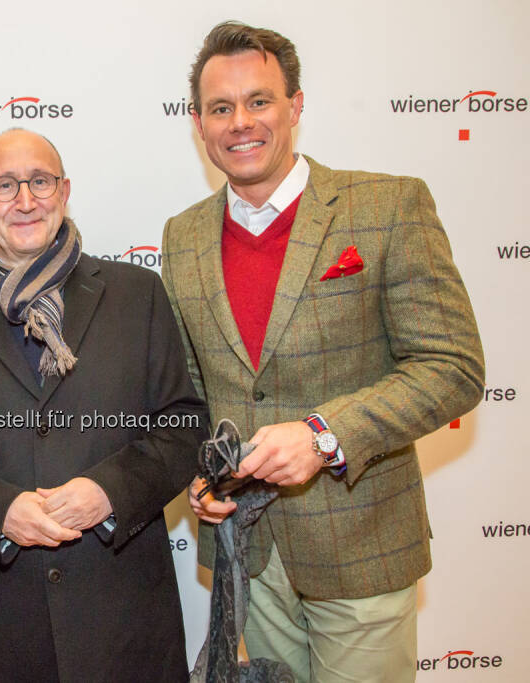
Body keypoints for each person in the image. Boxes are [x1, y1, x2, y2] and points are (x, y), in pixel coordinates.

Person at [161, 21, 485, 682]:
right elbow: (192, 390)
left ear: (296, 105)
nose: (240, 122)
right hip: (245, 552)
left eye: (260, 100)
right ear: (198, 122)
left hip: (361, 540)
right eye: (220, 108)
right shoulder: (183, 235)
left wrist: (324, 434)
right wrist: (202, 475)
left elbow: (453, 367)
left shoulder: (387, 206)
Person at [0, 128, 208, 682]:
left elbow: (182, 428)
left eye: (40, 181)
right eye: (4, 185)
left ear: (65, 190)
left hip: (126, 621)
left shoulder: (137, 294)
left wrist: (107, 492)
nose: (26, 200)